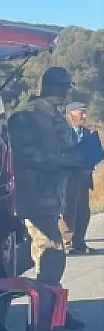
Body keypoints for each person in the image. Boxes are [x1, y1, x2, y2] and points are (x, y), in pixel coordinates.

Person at [7, 66, 86, 331]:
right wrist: (64, 160)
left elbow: (62, 149)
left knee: (52, 256)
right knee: (51, 255)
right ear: (49, 86)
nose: (64, 92)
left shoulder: (58, 117)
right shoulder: (25, 117)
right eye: (61, 86)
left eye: (66, 87)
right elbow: (23, 155)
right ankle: (46, 317)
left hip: (54, 197)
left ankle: (54, 312)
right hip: (34, 198)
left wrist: (81, 156)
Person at [60, 101, 104, 254]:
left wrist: (86, 163)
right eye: (81, 112)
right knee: (68, 210)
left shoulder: (90, 134)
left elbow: (98, 153)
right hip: (68, 177)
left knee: (83, 211)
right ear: (70, 114)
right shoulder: (61, 134)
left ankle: (79, 242)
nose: (84, 116)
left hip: (84, 177)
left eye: (85, 113)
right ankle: (67, 242)